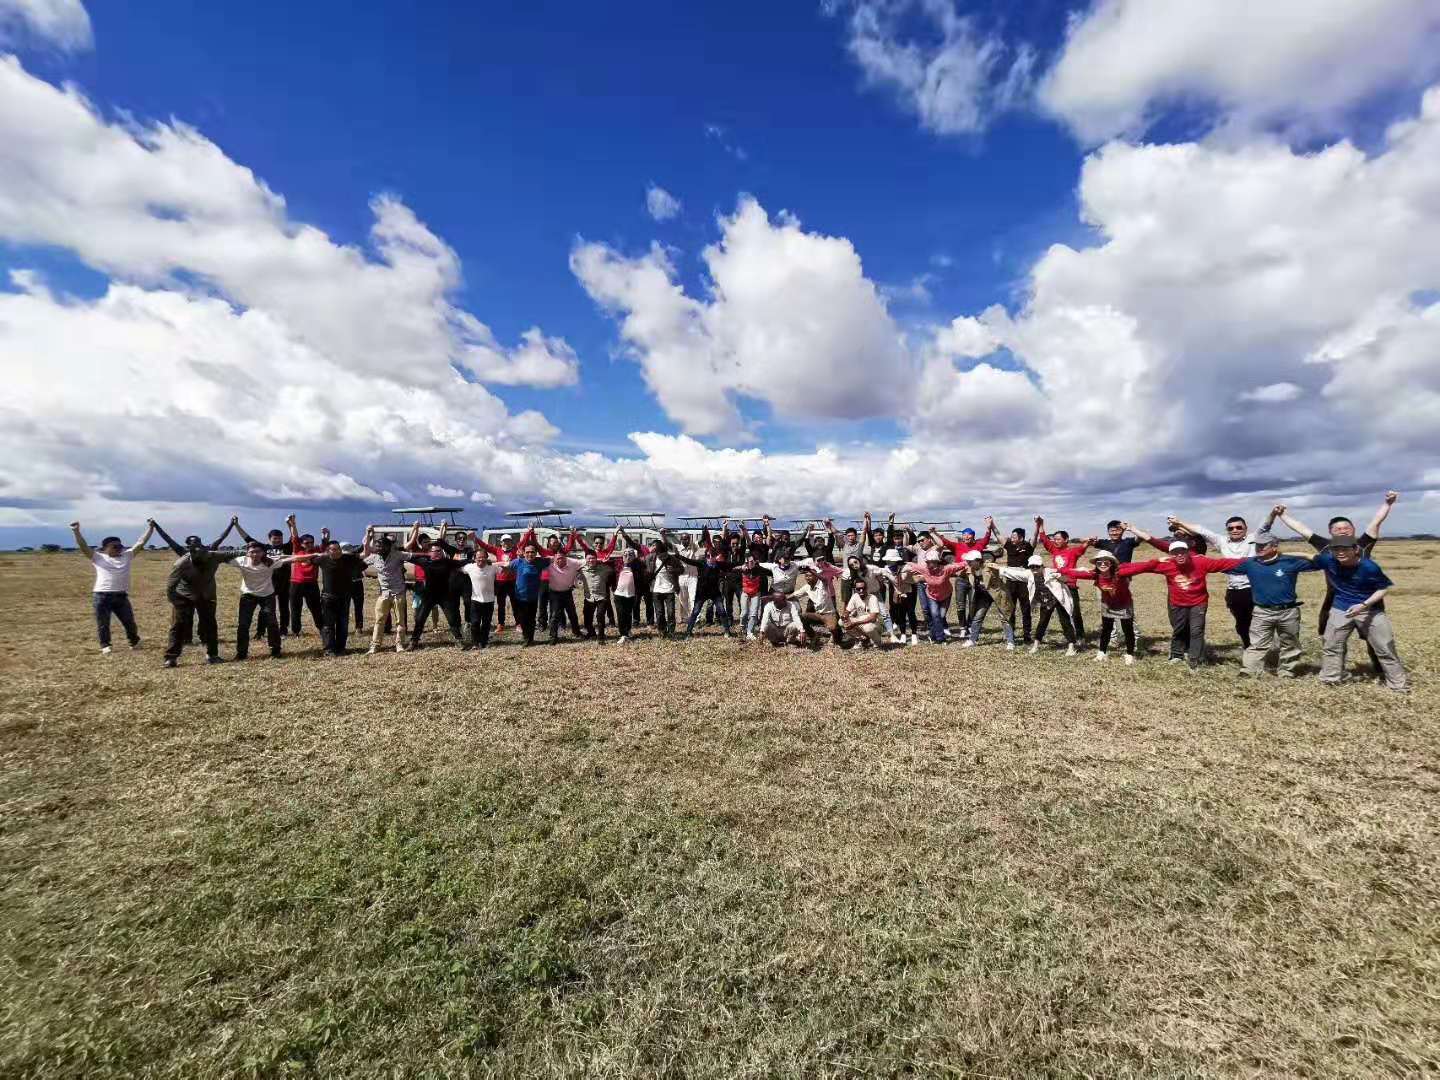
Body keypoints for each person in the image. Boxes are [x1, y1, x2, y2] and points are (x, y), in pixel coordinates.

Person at [1275, 491, 1397, 676]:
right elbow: (1301, 529)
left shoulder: (1363, 544)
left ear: (1353, 530)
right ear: (1330, 532)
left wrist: (1388, 503)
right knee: (1331, 637)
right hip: (1335, 598)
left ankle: (1381, 670)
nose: (1342, 530)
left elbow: (1376, 522)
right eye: (1337, 528)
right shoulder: (1325, 546)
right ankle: (1335, 671)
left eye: (1346, 527)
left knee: (1375, 639)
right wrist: (1282, 515)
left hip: (1367, 600)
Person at [1127, 525, 1246, 669]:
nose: (1179, 555)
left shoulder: (1201, 561)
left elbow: (1225, 563)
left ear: (1188, 551)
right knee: (1179, 629)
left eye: (1182, 552)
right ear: (1171, 554)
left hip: (1198, 602)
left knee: (1196, 630)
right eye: (1175, 553)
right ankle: (1176, 655)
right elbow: (1141, 567)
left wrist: (1253, 561)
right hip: (1177, 603)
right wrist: (1117, 570)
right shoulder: (1167, 564)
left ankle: (1195, 660)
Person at [1168, 509, 1281, 649]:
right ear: (1227, 530)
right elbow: (1202, 530)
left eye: (1239, 527)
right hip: (1234, 591)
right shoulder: (1221, 541)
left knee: (1260, 621)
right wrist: (1179, 522)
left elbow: (1265, 526)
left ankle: (1264, 648)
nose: (1235, 530)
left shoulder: (1254, 538)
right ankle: (1249, 647)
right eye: (1231, 528)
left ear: (1246, 528)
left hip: (1255, 589)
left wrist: (1273, 514)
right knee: (1241, 624)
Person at [1215, 531, 1319, 678]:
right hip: (1262, 611)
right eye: (1257, 545)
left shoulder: (1290, 561)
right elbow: (1222, 565)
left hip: (1288, 611)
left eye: (1263, 545)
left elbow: (1321, 562)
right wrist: (1199, 561)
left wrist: (1302, 553)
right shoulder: (1250, 563)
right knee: (1257, 643)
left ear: (1275, 546)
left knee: (1290, 644)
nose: (1259, 548)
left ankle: (1286, 671)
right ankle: (1249, 671)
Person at [1312, 536, 1408, 692]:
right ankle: (1331, 679)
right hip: (1340, 608)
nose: (1340, 552)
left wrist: (1363, 605)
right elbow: (1310, 557)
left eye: (1345, 549)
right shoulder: (1329, 560)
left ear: (1356, 550)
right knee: (1331, 645)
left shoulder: (1369, 567)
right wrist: (1282, 555)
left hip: (1369, 610)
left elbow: (1383, 588)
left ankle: (1398, 686)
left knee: (1385, 648)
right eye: (1336, 549)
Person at [153, 518, 241, 667]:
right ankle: (171, 657)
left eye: (199, 543)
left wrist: (232, 525)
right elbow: (169, 541)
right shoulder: (183, 557)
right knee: (178, 626)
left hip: (206, 596)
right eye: (193, 545)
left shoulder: (212, 553)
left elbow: (225, 541)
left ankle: (212, 655)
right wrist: (156, 527)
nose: (197, 547)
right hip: (184, 596)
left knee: (210, 625)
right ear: (188, 547)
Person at [71, 519, 155, 654]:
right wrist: (76, 531)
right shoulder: (98, 557)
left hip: (121, 595)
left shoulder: (127, 555)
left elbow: (141, 542)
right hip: (102, 595)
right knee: (103, 623)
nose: (119, 548)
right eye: (115, 546)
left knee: (129, 622)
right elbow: (83, 546)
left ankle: (134, 641)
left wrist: (150, 529)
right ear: (105, 548)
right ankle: (105, 645)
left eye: (120, 546)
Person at [1062, 550, 1155, 664]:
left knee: (1127, 630)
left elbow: (1141, 567)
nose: (1102, 564)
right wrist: (1056, 570)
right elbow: (1075, 573)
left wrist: (1156, 562)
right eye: (1099, 562)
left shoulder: (1120, 573)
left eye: (1105, 562)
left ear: (1111, 563)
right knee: (1106, 629)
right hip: (1108, 605)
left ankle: (1129, 654)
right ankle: (1102, 652)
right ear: (1096, 564)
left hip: (1124, 605)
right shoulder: (1096, 575)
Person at [223, 534, 308, 660]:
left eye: (258, 552)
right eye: (252, 552)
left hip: (267, 595)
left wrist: (315, 555)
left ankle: (275, 650)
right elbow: (221, 557)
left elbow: (292, 559)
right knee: (243, 624)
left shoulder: (270, 562)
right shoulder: (241, 560)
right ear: (247, 553)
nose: (255, 555)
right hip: (248, 595)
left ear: (263, 553)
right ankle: (241, 653)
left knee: (272, 623)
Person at [303, 539, 367, 656]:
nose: (337, 551)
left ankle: (341, 648)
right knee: (328, 625)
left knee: (343, 624)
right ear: (328, 551)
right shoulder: (323, 559)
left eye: (338, 549)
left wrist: (367, 539)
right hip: (328, 598)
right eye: (333, 549)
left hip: (344, 597)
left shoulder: (348, 558)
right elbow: (306, 561)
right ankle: (329, 649)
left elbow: (365, 555)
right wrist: (311, 557)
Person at [407, 526, 466, 650]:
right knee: (420, 619)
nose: (438, 552)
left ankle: (459, 640)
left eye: (439, 550)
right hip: (429, 596)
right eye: (435, 551)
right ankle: (414, 642)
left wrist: (480, 560)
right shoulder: (424, 561)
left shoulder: (447, 562)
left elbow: (463, 563)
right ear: (430, 552)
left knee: (452, 620)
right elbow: (408, 555)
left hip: (445, 596)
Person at [1035, 516, 1093, 638]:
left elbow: (1084, 546)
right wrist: (1041, 524)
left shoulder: (1073, 552)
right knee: (1062, 613)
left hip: (1070, 585)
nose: (1055, 541)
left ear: (1066, 540)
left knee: (1075, 612)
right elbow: (1044, 539)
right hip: (1058, 586)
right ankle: (1070, 636)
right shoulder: (1054, 550)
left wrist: (1089, 540)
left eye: (1058, 539)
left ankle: (1081, 636)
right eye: (1054, 539)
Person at [360, 525, 414, 654]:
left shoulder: (398, 555)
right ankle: (375, 646)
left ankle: (399, 644)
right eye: (377, 546)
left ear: (389, 547)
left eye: (381, 546)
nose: (378, 549)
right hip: (384, 594)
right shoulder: (374, 557)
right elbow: (362, 559)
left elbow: (415, 555)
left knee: (400, 621)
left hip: (398, 593)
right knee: (379, 620)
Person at [675, 527, 733, 637]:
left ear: (715, 557)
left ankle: (727, 631)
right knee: (695, 612)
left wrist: (742, 566)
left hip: (715, 593)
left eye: (712, 556)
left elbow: (732, 566)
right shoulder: (702, 563)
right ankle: (688, 633)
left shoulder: (719, 564)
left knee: (722, 611)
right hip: (701, 593)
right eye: (708, 556)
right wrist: (679, 557)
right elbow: (689, 561)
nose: (710, 557)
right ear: (705, 556)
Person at [909, 551, 966, 644]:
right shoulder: (925, 569)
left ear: (936, 561)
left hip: (945, 595)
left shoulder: (946, 569)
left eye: (930, 562)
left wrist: (971, 561)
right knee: (935, 615)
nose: (927, 564)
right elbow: (911, 565)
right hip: (932, 596)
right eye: (927, 562)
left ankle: (933, 635)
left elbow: (959, 565)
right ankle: (940, 638)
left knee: (941, 616)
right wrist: (901, 564)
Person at [285, 516, 326, 637]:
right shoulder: (298, 549)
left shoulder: (317, 550)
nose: (310, 544)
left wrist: (325, 534)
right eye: (307, 543)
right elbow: (295, 537)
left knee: (316, 608)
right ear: (302, 544)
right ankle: (296, 631)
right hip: (296, 583)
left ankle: (321, 628)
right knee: (295, 608)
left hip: (311, 584)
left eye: (312, 542)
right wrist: (293, 525)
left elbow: (325, 543)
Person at [999, 523, 1035, 644]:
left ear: (1021, 538)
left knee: (1026, 609)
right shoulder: (1009, 546)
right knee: (1010, 609)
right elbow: (998, 535)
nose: (1011, 538)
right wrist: (992, 525)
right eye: (1011, 536)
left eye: (1014, 536)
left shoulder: (1028, 547)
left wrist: (1038, 525)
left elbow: (1035, 537)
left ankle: (1027, 635)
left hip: (1024, 583)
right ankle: (1010, 634)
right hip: (1010, 583)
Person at [460, 544, 499, 649]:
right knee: (475, 623)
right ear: (474, 558)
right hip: (475, 600)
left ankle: (484, 642)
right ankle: (475, 643)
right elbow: (459, 569)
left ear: (487, 558)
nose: (481, 559)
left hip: (489, 601)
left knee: (486, 624)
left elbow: (505, 570)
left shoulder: (493, 568)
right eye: (478, 557)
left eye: (483, 557)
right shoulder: (469, 567)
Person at [509, 529, 544, 646]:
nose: (530, 554)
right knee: (523, 619)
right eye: (528, 552)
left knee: (532, 618)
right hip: (520, 597)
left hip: (533, 597)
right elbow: (504, 567)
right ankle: (526, 637)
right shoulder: (517, 562)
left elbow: (553, 558)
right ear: (523, 553)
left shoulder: (540, 562)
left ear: (536, 553)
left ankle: (531, 638)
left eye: (533, 552)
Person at [793, 565, 842, 646]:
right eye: (806, 576)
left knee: (832, 628)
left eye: (810, 576)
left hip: (829, 614)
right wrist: (781, 598)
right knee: (801, 617)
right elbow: (795, 594)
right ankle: (813, 636)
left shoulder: (823, 584)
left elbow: (824, 579)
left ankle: (835, 637)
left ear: (816, 577)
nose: (808, 578)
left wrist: (810, 570)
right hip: (818, 614)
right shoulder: (806, 587)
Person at [579, 548, 615, 642]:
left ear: (596, 558)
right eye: (589, 558)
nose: (591, 560)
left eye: (593, 558)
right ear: (585, 559)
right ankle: (591, 633)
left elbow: (614, 568)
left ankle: (601, 636)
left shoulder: (604, 568)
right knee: (587, 617)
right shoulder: (582, 570)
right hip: (589, 598)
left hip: (601, 597)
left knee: (600, 616)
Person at [841, 577, 886, 649]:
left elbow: (873, 618)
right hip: (861, 621)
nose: (861, 590)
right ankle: (862, 639)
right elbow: (847, 611)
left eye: (863, 588)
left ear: (867, 588)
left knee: (868, 628)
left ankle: (877, 642)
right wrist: (845, 616)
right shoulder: (855, 596)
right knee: (841, 622)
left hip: (875, 623)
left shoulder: (872, 598)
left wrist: (855, 623)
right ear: (855, 589)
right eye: (858, 589)